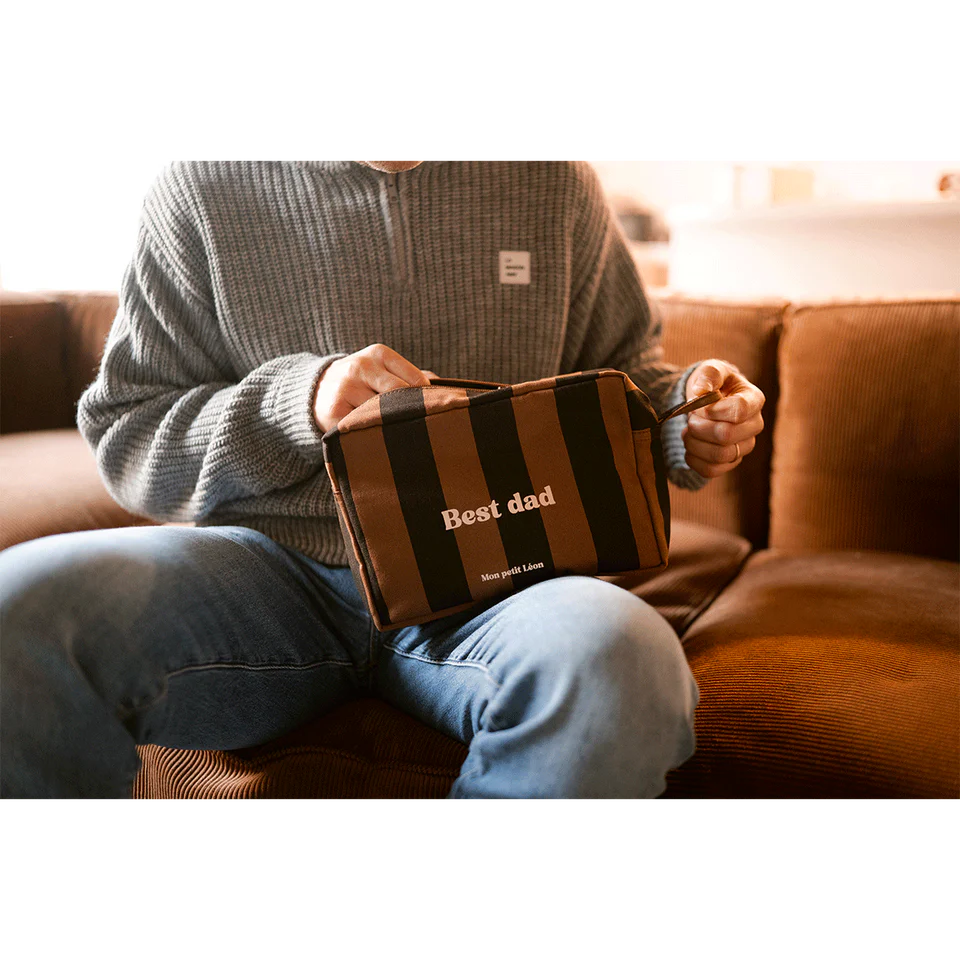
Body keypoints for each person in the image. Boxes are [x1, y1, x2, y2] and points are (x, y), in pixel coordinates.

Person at [0, 154, 765, 801]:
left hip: (499, 586)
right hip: (269, 574)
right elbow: (130, 433)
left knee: (622, 657)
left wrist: (690, 418)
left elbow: (627, 384)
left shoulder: (550, 178)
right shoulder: (203, 183)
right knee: (20, 609)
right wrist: (300, 402)